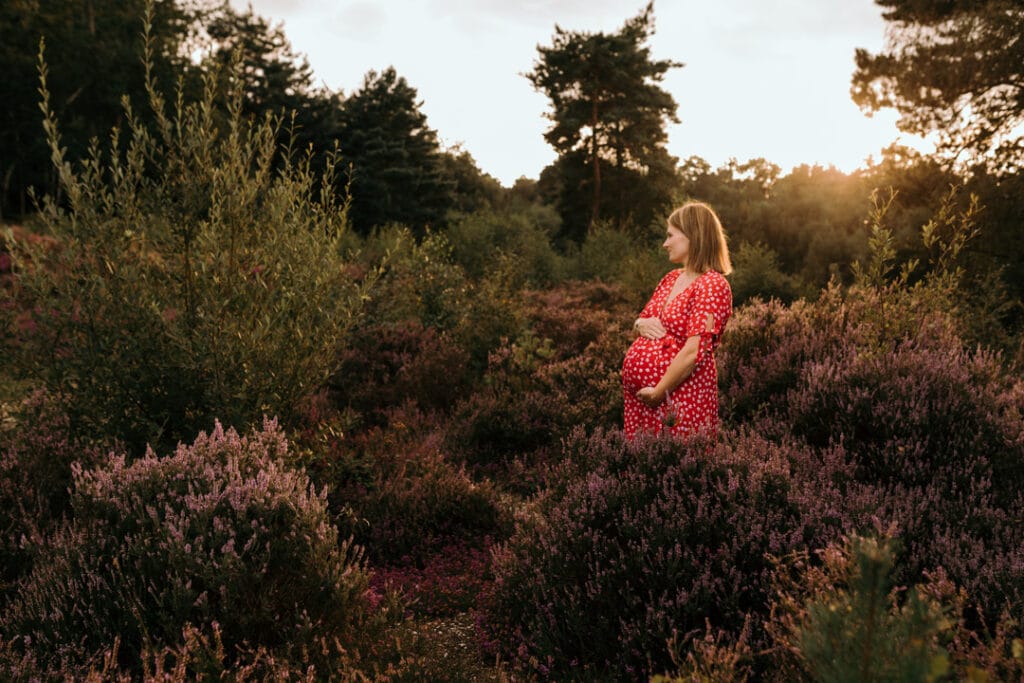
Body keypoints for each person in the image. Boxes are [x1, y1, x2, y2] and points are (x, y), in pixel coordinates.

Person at [621, 201, 733, 439]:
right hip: (642, 403)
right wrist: (638, 325)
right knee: (639, 470)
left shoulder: (712, 284)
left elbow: (694, 352)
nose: (665, 243)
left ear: (693, 236)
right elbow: (641, 323)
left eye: (671, 236)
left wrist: (658, 392)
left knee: (676, 468)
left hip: (679, 400)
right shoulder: (671, 278)